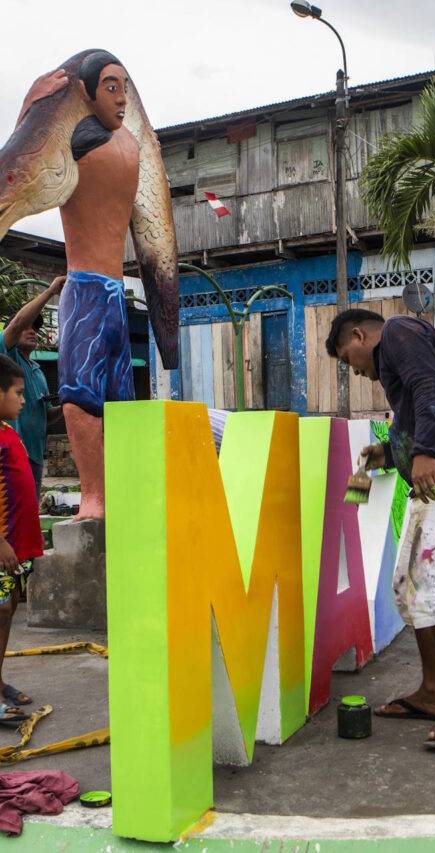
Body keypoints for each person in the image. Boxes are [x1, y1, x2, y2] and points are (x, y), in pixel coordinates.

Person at [326, 309, 435, 750]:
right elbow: (419, 410)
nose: (356, 372)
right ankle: (433, 692)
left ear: (360, 335)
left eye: (348, 360)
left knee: (433, 588)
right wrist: (389, 453)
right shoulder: (398, 359)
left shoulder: (400, 332)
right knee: (408, 588)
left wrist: (425, 453)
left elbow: (431, 388)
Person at [14, 53, 138, 520]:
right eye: (111, 87)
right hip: (113, 291)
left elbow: (23, 156)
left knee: (82, 395)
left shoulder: (82, 140)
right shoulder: (129, 148)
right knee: (112, 397)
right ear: (88, 92)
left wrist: (32, 106)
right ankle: (108, 494)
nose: (121, 99)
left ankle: (96, 497)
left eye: (123, 87)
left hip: (88, 289)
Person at [0, 354, 44, 719]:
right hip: (2, 547)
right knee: (0, 610)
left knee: (9, 608)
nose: (24, 399)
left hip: (13, 548)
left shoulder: (7, 431)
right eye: (17, 392)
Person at [0, 277, 65, 498]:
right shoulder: (7, 358)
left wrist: (67, 405)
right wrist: (50, 291)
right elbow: (18, 322)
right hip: (10, 452)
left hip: (35, 455)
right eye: (26, 328)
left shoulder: (38, 372)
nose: (32, 331)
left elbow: (46, 416)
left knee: (28, 511)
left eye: (35, 328)